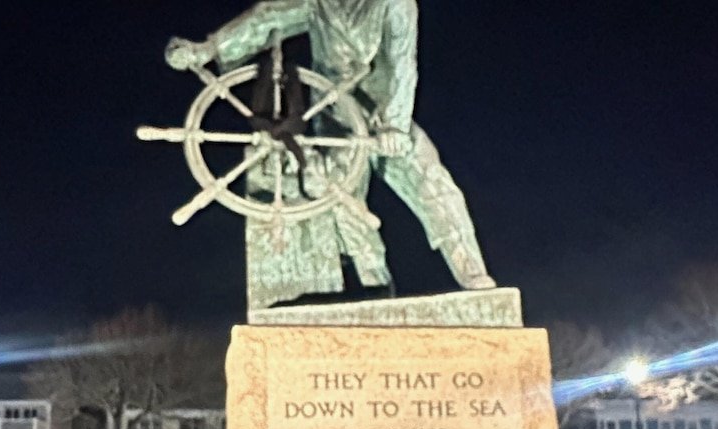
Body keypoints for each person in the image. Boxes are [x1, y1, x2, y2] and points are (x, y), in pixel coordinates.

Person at [167, 0, 496, 290]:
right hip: (336, 118)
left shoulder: (396, 3)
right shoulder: (319, 2)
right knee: (344, 202)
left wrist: (395, 125)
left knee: (433, 183)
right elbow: (267, 17)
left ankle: (472, 271)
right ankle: (374, 285)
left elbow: (402, 63)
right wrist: (207, 50)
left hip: (385, 116)